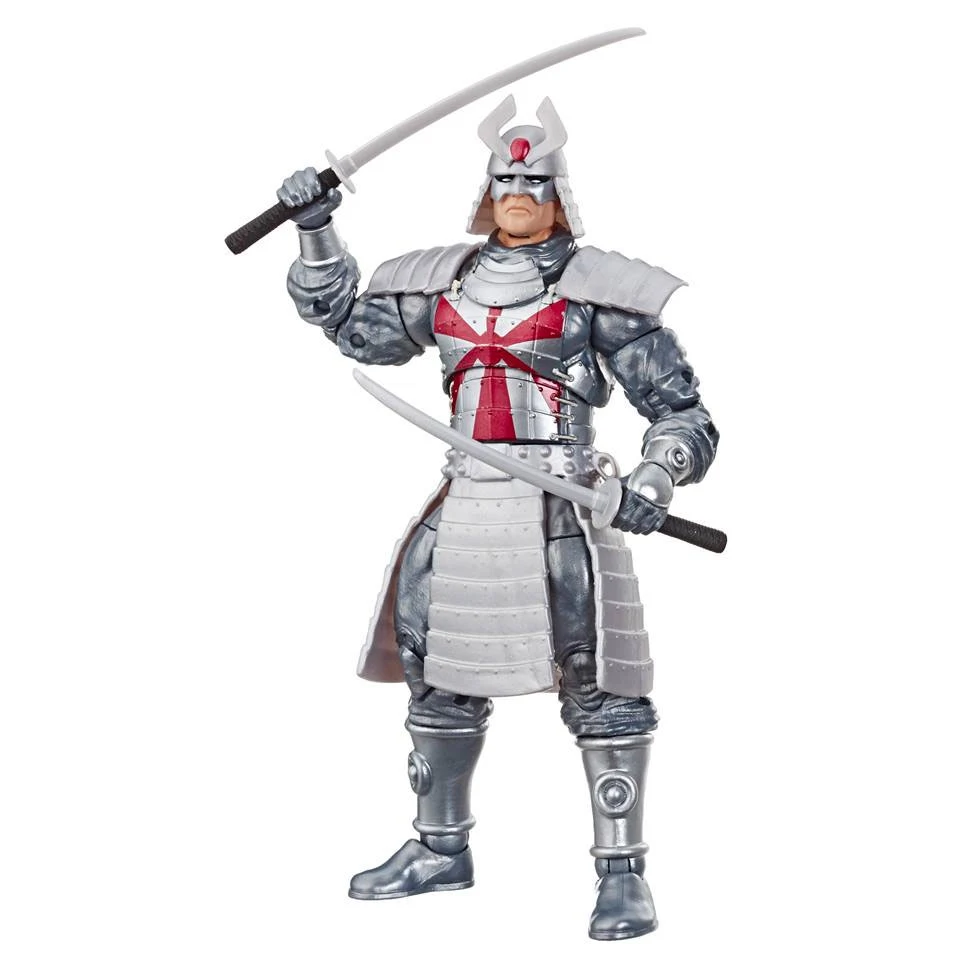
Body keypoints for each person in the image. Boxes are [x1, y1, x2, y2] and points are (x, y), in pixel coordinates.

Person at [277, 95, 719, 941]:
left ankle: (622, 873)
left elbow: (682, 413)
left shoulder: (600, 291)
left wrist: (654, 479)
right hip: (466, 495)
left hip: (565, 503)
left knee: (599, 680)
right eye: (506, 181)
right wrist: (316, 228)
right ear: (486, 191)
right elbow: (353, 329)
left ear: (560, 194)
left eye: (534, 182)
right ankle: (439, 848)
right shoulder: (442, 281)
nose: (519, 193)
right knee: (433, 661)